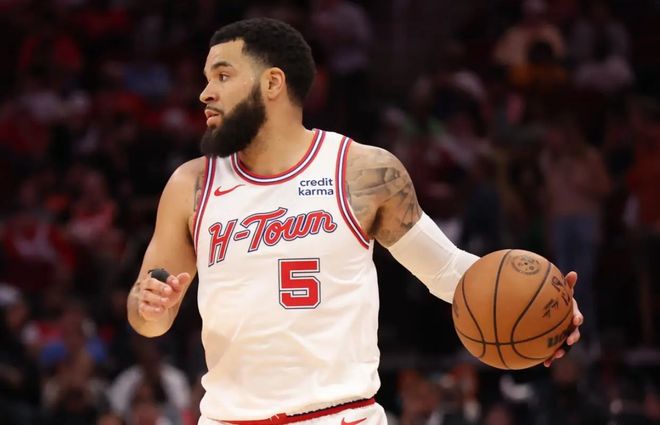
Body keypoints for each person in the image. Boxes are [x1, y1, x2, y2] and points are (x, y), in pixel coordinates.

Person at [126, 18, 584, 425]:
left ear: (272, 83)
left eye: (222, 76)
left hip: (340, 416)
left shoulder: (362, 171)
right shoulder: (190, 185)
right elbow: (148, 320)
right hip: (228, 419)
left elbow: (447, 270)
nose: (205, 92)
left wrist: (546, 309)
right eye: (207, 78)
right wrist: (148, 306)